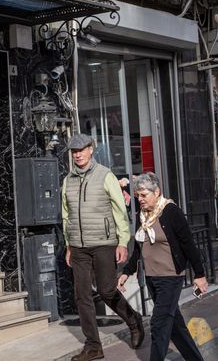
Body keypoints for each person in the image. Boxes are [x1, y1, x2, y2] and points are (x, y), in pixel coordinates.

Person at [62, 133, 144, 361]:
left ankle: (133, 321)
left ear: (91, 149)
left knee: (107, 290)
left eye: (82, 150)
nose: (77, 154)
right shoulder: (68, 180)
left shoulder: (105, 176)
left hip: (103, 244)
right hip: (78, 247)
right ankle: (93, 346)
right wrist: (69, 244)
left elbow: (120, 210)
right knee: (82, 296)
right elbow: (66, 215)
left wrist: (122, 241)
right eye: (74, 151)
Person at [117, 173, 208, 361]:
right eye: (137, 196)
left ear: (156, 192)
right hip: (152, 277)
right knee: (175, 326)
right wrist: (127, 272)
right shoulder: (141, 215)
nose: (139, 199)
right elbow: (138, 248)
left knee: (158, 323)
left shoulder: (171, 211)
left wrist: (199, 274)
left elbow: (188, 244)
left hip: (170, 277)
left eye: (143, 195)